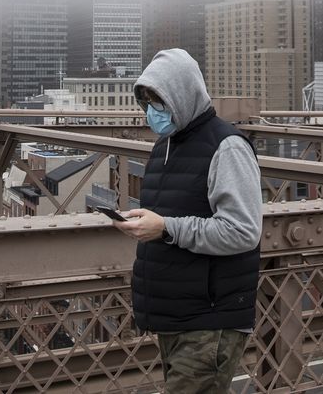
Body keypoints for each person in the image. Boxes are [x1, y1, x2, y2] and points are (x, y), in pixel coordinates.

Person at [111, 48, 262, 394]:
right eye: (147, 101)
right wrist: (148, 223)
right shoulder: (166, 146)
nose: (152, 112)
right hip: (175, 316)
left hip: (209, 320)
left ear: (183, 94)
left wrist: (165, 228)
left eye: (159, 101)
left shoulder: (227, 147)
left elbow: (242, 231)